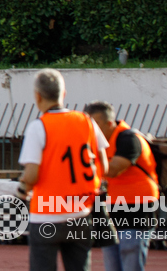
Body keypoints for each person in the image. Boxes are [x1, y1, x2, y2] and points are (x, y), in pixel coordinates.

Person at [17, 68, 107, 271]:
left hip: (47, 215)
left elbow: (31, 174)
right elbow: (104, 164)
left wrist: (21, 191)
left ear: (37, 96)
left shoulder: (39, 127)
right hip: (81, 211)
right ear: (63, 94)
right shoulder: (87, 121)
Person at [83, 101, 159, 271]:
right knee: (111, 256)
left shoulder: (128, 139)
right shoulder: (97, 144)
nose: (91, 131)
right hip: (113, 205)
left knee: (129, 251)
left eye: (95, 126)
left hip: (138, 205)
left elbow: (113, 170)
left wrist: (80, 165)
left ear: (109, 123)